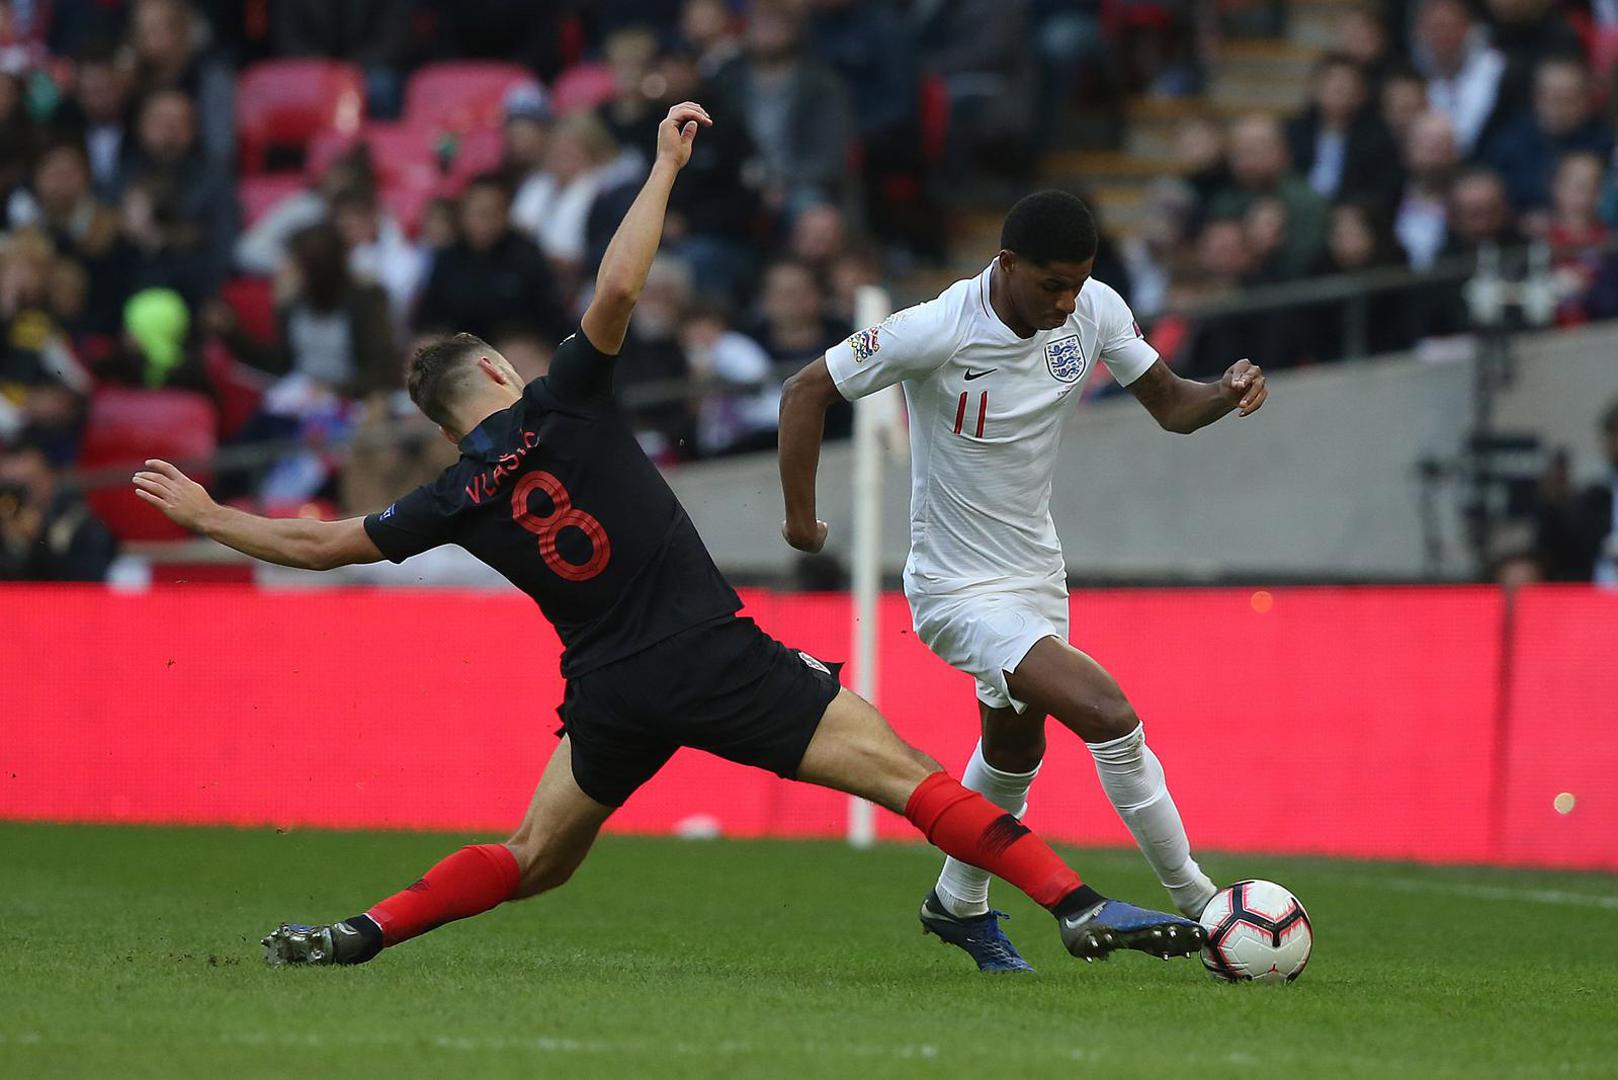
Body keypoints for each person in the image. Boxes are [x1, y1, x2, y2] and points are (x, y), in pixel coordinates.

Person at [130, 104, 1205, 971]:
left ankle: (367, 930)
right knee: (914, 777)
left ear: (446, 420)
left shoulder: (449, 497)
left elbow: (323, 547)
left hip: (608, 691)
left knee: (534, 856)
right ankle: (1076, 903)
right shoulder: (565, 402)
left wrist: (210, 516)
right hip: (713, 652)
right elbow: (621, 283)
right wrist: (660, 166)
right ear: (500, 376)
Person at [777, 190, 1269, 972]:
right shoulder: (934, 328)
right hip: (954, 590)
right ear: (1006, 265)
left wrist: (1227, 391)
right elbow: (806, 391)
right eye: (1052, 285)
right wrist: (801, 522)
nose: (1067, 301)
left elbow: (1173, 406)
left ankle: (957, 903)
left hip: (1037, 572)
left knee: (1011, 752)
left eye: (1078, 282)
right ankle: (1204, 904)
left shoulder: (1095, 311)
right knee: (1107, 712)